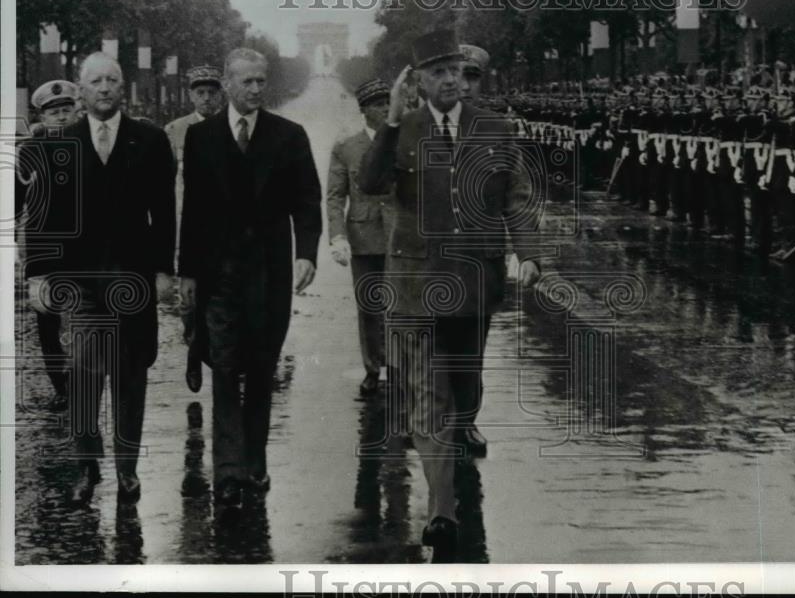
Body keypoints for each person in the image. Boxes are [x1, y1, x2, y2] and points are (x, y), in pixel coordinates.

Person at [358, 28, 542, 555]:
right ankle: (441, 511)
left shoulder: (495, 129)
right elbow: (370, 184)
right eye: (436, 72)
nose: (449, 81)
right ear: (417, 81)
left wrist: (528, 253)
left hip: (475, 281)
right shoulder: (403, 130)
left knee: (464, 395)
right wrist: (391, 121)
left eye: (455, 71)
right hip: (416, 285)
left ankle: (453, 474)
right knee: (427, 395)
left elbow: (517, 195)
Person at [178, 47, 321, 508]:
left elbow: (307, 202)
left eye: (262, 81)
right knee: (223, 366)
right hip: (219, 274)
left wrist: (307, 256)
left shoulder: (289, 136)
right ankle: (228, 470)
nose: (256, 89)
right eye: (247, 81)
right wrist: (187, 274)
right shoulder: (201, 138)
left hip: (269, 274)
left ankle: (255, 459)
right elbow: (194, 211)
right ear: (227, 82)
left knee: (260, 368)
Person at [43, 53, 176, 504]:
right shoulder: (60, 144)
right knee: (82, 374)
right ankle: (86, 466)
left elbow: (164, 213)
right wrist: (39, 275)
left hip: (134, 279)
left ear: (123, 89)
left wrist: (162, 270)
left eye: (112, 80)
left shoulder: (151, 141)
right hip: (80, 283)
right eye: (95, 81)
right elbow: (46, 219)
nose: (104, 88)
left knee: (130, 374)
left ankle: (127, 469)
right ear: (80, 91)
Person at [16, 80, 81, 408]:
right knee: (47, 318)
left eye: (66, 110)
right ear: (42, 115)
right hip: (43, 250)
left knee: (87, 316)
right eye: (54, 112)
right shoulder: (29, 150)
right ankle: (61, 386)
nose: (61, 117)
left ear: (76, 111)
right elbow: (14, 201)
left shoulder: (89, 145)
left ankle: (86, 379)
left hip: (85, 247)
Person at [327, 77, 394, 396]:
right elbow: (335, 196)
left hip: (402, 237)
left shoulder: (406, 140)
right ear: (364, 110)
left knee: (403, 305)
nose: (386, 109)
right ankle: (372, 367)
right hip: (364, 236)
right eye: (379, 105)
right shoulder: (346, 147)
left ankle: (398, 366)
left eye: (388, 103)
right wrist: (337, 236)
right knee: (369, 305)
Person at [164, 66, 225, 393]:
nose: (206, 98)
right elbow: (162, 181)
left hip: (220, 229)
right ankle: (193, 345)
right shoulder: (174, 131)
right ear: (190, 95)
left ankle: (211, 353)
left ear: (220, 94)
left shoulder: (231, 127)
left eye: (211, 92)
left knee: (217, 296)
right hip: (183, 225)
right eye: (200, 92)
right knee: (187, 301)